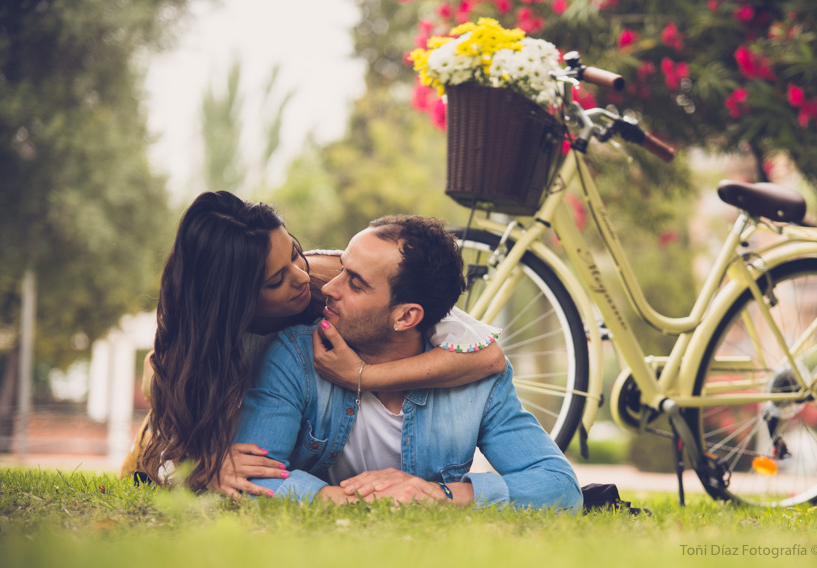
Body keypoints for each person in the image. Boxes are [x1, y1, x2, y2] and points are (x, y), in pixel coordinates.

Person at [126, 192, 506, 496]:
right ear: (234, 302)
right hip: (203, 412)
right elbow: (176, 423)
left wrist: (363, 376)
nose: (302, 279)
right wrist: (208, 464)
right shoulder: (200, 346)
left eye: (293, 251)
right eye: (275, 281)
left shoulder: (328, 277)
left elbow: (488, 357)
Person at [232, 215, 582, 510]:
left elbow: (560, 487)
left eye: (355, 283)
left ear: (406, 317)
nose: (329, 289)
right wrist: (344, 499)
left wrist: (436, 495)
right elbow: (254, 476)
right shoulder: (296, 355)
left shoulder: (479, 382)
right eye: (342, 270)